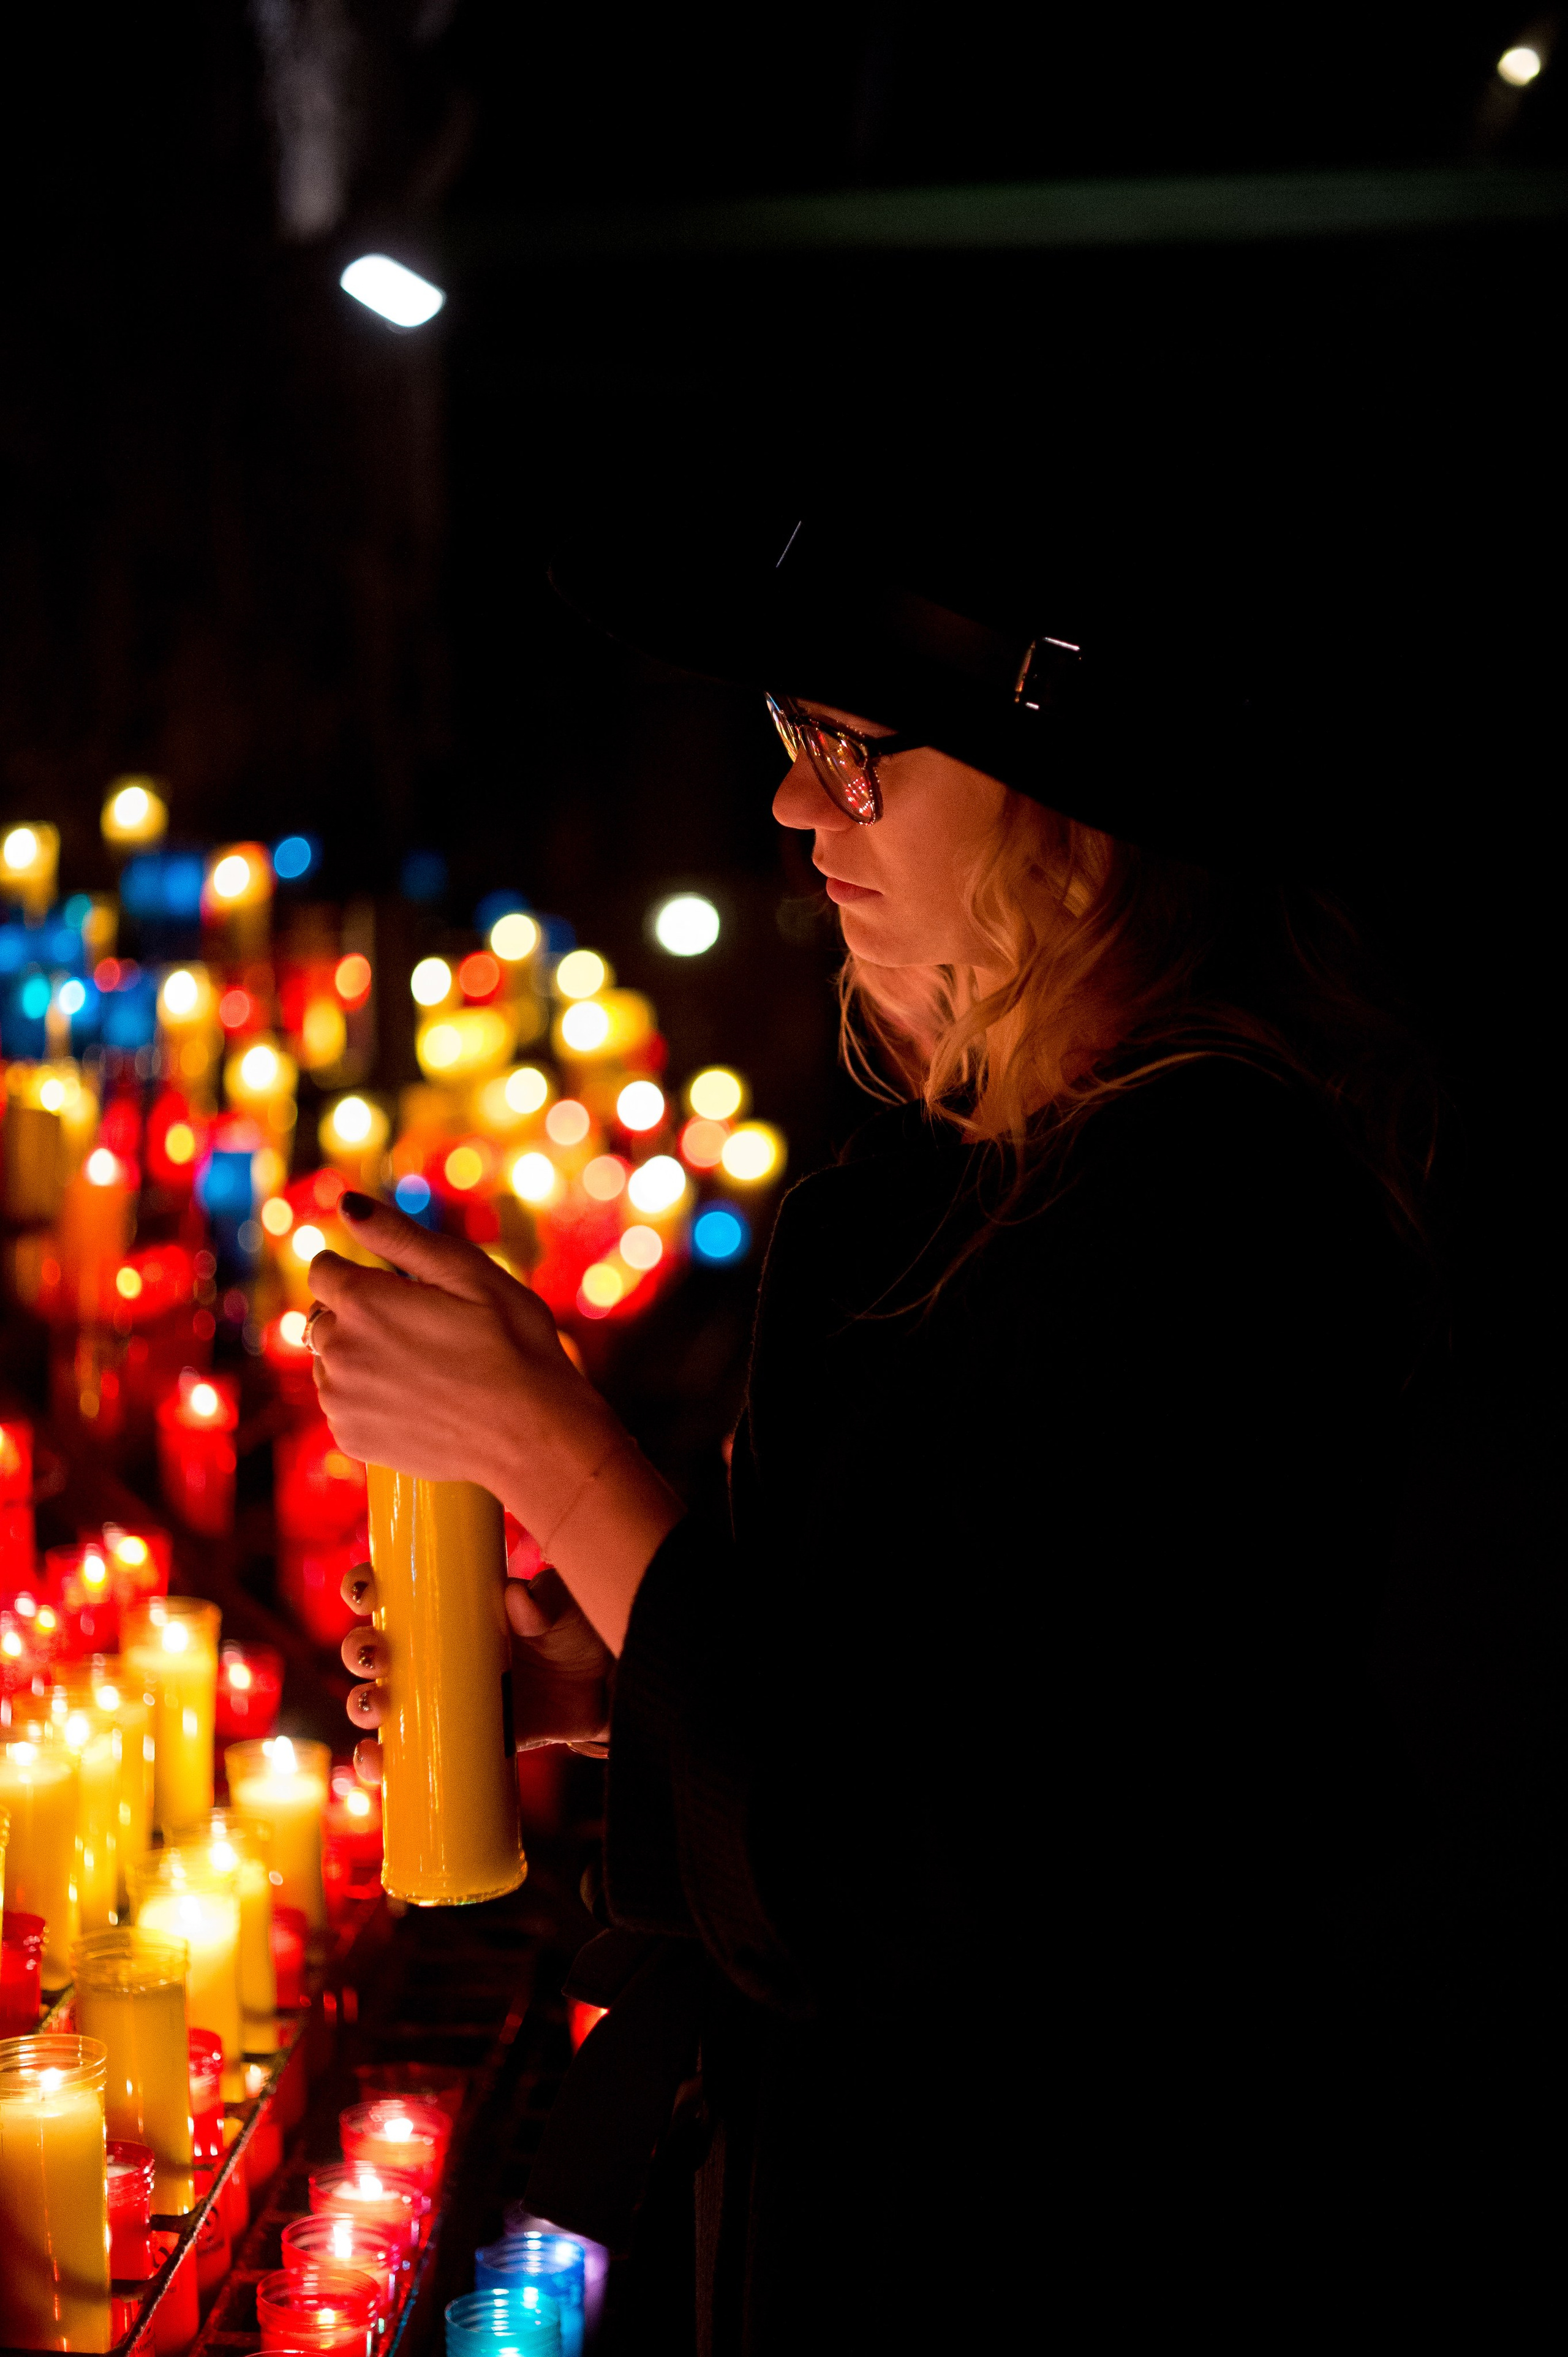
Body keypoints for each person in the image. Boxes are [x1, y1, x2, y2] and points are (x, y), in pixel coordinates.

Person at [307, 515, 1438, 2347]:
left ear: (1068, 804)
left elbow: (933, 1868)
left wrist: (559, 1461)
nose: (792, 809)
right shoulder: (945, 1186)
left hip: (1071, 2238)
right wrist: (627, 1686)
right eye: (791, 732)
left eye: (854, 751)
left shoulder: (1215, 1212)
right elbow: (899, 1699)